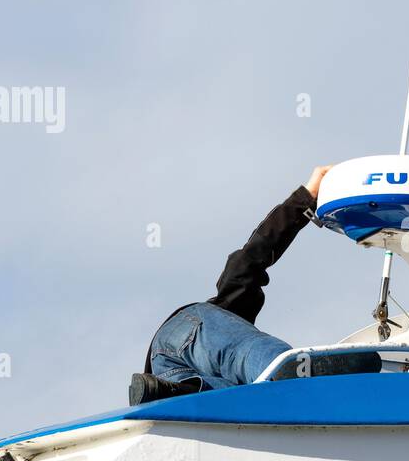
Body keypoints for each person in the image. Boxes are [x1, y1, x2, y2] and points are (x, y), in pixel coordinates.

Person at [129, 166, 380, 405]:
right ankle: (291, 369)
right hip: (186, 330)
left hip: (166, 373)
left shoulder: (230, 320)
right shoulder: (231, 303)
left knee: (241, 400)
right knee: (259, 363)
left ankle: (168, 392)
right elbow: (251, 255)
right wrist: (307, 197)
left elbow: (255, 253)